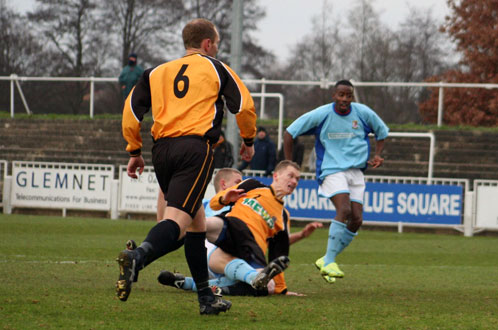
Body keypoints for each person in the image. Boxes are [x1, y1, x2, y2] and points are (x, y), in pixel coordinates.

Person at [119, 18, 257, 315]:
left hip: (162, 151)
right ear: (208, 44)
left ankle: (207, 299)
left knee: (197, 224)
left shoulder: (155, 72)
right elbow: (244, 105)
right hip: (194, 149)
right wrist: (248, 139)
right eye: (217, 43)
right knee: (178, 225)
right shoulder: (216, 68)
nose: (217, 48)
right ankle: (137, 257)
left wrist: (134, 150)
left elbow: (131, 111)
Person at [159, 163, 322, 296]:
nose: (294, 181)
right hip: (214, 251)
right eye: (291, 176)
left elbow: (279, 251)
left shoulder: (283, 215)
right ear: (276, 176)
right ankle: (147, 250)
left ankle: (188, 283)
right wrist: (224, 197)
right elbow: (214, 203)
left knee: (268, 286)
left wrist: (282, 289)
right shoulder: (250, 188)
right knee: (204, 230)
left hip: (237, 256)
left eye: (298, 179)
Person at [283, 80, 389, 284]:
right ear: (334, 95)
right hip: (331, 170)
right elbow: (290, 133)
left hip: (356, 172)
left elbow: (382, 132)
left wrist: (378, 154)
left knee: (357, 219)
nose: (344, 99)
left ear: (352, 96)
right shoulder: (322, 114)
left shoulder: (363, 112)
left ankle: (326, 259)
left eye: (348, 95)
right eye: (341, 95)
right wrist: (289, 163)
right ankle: (330, 260)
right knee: (345, 210)